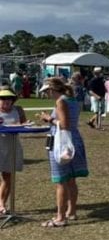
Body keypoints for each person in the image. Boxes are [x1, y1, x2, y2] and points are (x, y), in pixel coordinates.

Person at [37, 77, 89, 227]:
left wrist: (49, 118)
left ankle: (60, 217)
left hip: (62, 143)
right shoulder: (72, 100)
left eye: (46, 91)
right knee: (71, 178)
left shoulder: (61, 101)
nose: (46, 94)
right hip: (74, 140)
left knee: (60, 180)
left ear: (52, 90)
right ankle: (71, 211)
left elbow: (64, 124)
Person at [0, 88, 27, 215]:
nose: (6, 101)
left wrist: (24, 124)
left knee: (8, 177)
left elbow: (25, 124)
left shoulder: (18, 110)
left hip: (11, 147)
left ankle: (2, 204)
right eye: (2, 98)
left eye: (9, 98)